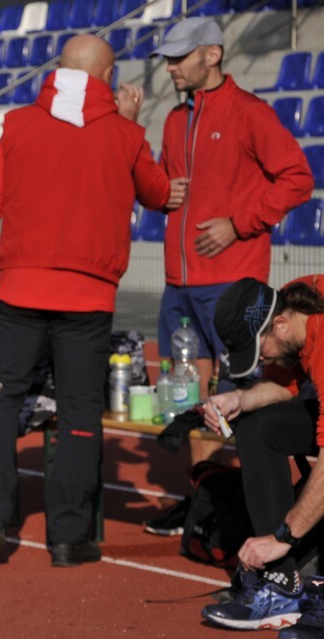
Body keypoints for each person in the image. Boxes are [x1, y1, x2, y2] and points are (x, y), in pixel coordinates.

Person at [0, 34, 183, 568]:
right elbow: (158, 193)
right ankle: (68, 536)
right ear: (107, 77)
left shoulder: (19, 124)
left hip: (20, 290)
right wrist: (132, 125)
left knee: (0, 400)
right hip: (88, 298)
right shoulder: (124, 134)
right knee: (80, 409)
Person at [144, 16, 314, 537]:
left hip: (231, 286)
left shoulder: (250, 113)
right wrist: (160, 193)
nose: (171, 68)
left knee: (242, 397)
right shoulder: (174, 120)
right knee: (190, 399)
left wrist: (238, 223)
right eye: (168, 59)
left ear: (212, 54)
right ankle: (204, 497)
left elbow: (298, 179)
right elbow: (162, 189)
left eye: (180, 57)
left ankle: (248, 507)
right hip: (178, 284)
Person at [199, 276, 322, 639]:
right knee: (257, 427)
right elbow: (284, 383)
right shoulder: (293, 304)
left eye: (259, 350)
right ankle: (281, 584)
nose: (261, 360)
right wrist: (240, 399)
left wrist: (284, 537)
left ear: (280, 325)